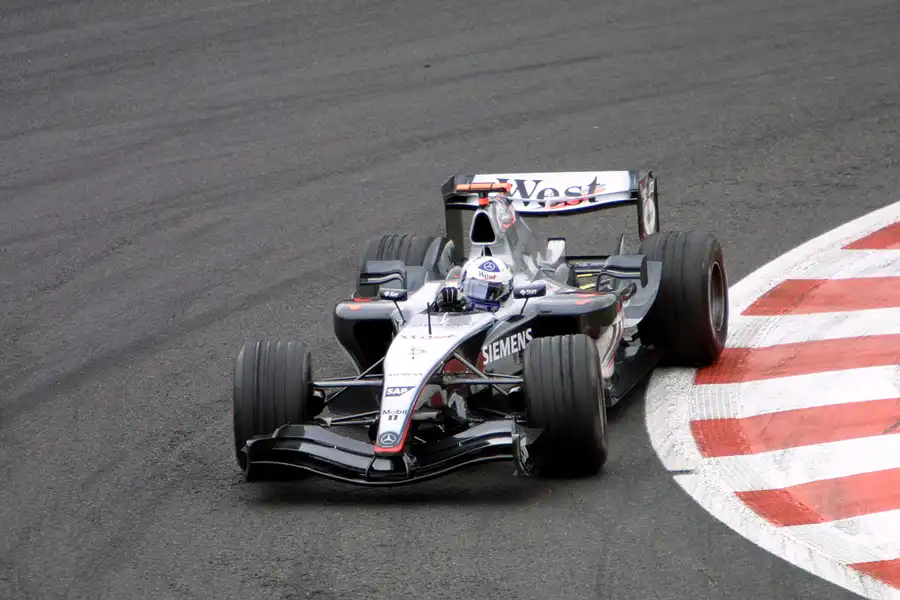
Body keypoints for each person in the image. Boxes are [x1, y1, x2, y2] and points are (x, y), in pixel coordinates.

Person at [436, 256, 513, 312]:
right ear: (463, 285)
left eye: (493, 292)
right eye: (477, 289)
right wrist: (449, 310)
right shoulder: (460, 306)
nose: (482, 298)